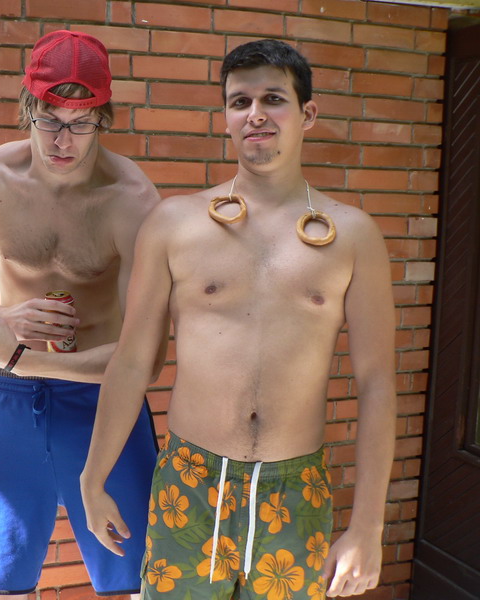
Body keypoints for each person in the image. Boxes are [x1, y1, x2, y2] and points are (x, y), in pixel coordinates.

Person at [80, 39, 396, 600]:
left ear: (307, 114)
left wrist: (368, 527)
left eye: (273, 99)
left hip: (294, 492)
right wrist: (92, 477)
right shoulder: (173, 224)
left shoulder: (353, 235)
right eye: (239, 102)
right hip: (189, 482)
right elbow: (131, 361)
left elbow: (376, 383)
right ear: (226, 117)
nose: (255, 114)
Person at [0, 30, 165, 599]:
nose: (63, 140)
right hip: (8, 404)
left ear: (104, 119)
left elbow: (146, 357)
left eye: (81, 122)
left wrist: (20, 358)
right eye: (49, 120)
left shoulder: (132, 201)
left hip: (103, 402)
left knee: (130, 585)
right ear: (28, 109)